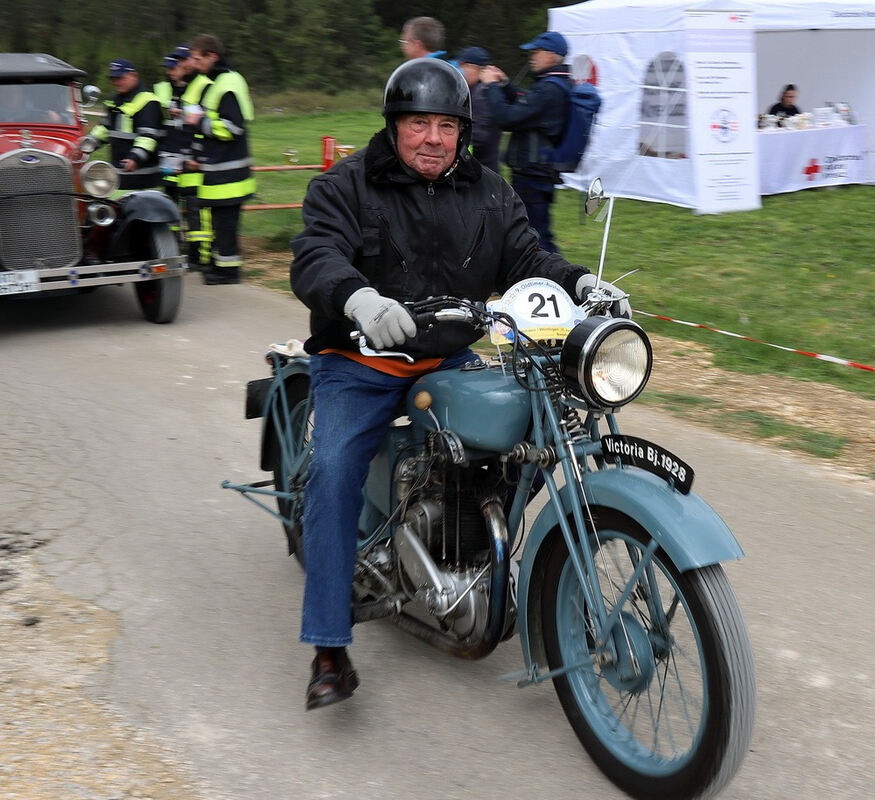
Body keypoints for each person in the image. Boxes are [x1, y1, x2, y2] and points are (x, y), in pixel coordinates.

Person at [289, 58, 628, 711]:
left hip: (444, 359)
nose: (433, 138)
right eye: (420, 122)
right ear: (394, 126)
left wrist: (579, 282)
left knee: (520, 437)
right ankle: (329, 644)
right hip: (361, 360)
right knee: (333, 471)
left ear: (462, 132)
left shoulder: (489, 190)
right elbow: (315, 255)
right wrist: (356, 299)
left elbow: (528, 260)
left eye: (446, 125)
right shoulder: (345, 184)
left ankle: (463, 553)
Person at [482, 31, 572, 254]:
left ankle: (559, 282)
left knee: (535, 237)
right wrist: (504, 85)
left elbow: (508, 118)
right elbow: (526, 108)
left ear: (552, 55)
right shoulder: (553, 85)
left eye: (537, 51)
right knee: (529, 232)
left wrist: (491, 87)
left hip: (533, 175)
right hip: (536, 173)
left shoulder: (549, 89)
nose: (532, 56)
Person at [185, 34, 255, 285]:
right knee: (220, 224)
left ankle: (228, 272)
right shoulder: (216, 82)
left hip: (229, 174)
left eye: (196, 58)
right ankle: (219, 266)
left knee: (225, 226)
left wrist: (200, 122)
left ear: (211, 56)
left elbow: (233, 128)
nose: (193, 64)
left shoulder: (227, 84)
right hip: (219, 172)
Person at [82, 59, 163, 190]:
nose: (116, 82)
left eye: (120, 78)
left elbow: (148, 137)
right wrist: (86, 145)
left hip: (143, 178)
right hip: (119, 175)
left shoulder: (148, 101)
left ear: (134, 76)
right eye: (113, 78)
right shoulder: (115, 101)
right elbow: (105, 129)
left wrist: (135, 158)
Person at [456, 45, 501, 172]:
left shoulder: (481, 94)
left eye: (462, 66)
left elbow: (480, 136)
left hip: (481, 169)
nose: (460, 71)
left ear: (474, 68)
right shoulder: (479, 90)